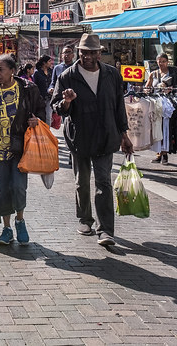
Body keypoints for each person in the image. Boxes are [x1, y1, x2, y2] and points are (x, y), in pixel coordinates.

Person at [52, 33, 133, 247]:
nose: (87, 56)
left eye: (92, 52)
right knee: (82, 181)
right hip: (80, 136)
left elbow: (119, 106)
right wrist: (67, 102)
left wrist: (124, 135)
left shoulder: (111, 74)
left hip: (106, 135)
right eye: (84, 52)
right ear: (79, 52)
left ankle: (105, 230)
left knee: (104, 182)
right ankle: (85, 219)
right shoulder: (68, 76)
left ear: (99, 53)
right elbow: (57, 107)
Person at [0, 54, 48, 246]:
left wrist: (37, 120)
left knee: (18, 187)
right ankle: (6, 229)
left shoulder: (28, 89)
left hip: (20, 149)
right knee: (3, 190)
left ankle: (20, 220)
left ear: (12, 71)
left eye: (1, 69)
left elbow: (41, 110)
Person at [145, 53, 174, 164]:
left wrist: (170, 89)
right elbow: (147, 87)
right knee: (156, 128)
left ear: (167, 62)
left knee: (165, 128)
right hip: (156, 103)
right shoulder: (153, 74)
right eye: (159, 61)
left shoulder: (172, 73)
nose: (161, 64)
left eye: (163, 61)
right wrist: (148, 90)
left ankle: (165, 153)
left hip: (167, 104)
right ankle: (158, 153)